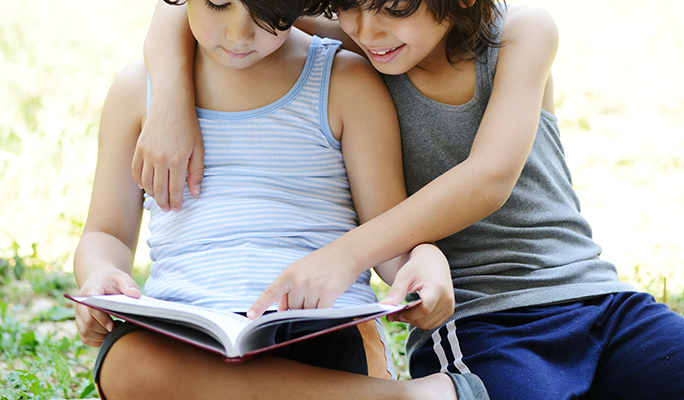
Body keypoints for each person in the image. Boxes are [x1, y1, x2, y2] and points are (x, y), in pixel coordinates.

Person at [135, 0, 684, 399]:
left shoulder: (521, 32)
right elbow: (176, 11)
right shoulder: (367, 47)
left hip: (599, 301)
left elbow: (488, 178)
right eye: (348, 6)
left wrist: (347, 254)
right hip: (477, 321)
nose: (369, 29)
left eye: (394, 8)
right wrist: (169, 104)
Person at [72, 0, 469, 399]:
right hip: (186, 329)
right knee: (125, 361)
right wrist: (99, 274)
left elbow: (387, 233)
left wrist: (423, 259)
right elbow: (106, 232)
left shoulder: (345, 80)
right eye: (218, 4)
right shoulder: (136, 93)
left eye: (266, 12)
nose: (238, 33)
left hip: (319, 323)